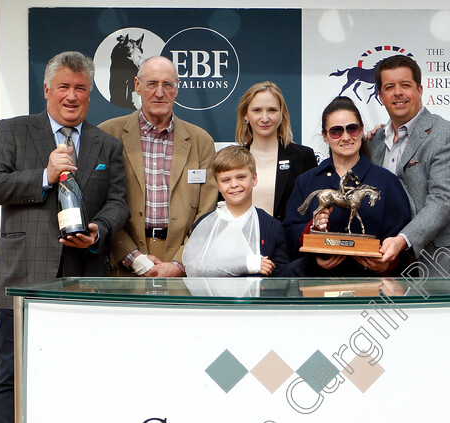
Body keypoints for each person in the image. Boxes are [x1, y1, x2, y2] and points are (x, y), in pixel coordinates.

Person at [0, 51, 129, 423]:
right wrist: (44, 175)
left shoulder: (105, 145)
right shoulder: (15, 131)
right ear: (47, 91)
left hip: (84, 282)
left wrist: (98, 229)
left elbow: (118, 203)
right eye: (64, 87)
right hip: (22, 280)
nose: (72, 97)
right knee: (9, 382)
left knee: (81, 383)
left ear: (89, 92)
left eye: (80, 88)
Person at [99, 56, 217, 278]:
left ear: (177, 89)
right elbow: (99, 203)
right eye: (152, 84)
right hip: (123, 267)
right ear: (137, 86)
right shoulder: (108, 135)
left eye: (168, 85)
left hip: (184, 270)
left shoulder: (201, 141)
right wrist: (132, 257)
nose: (160, 93)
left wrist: (180, 263)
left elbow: (207, 211)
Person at [368, 55, 450, 277]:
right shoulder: (373, 142)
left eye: (405, 85)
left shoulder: (448, 135)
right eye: (389, 87)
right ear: (380, 96)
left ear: (420, 89)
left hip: (443, 265)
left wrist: (402, 240)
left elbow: (443, 201)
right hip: (389, 268)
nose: (398, 93)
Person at [283, 96, 411, 276]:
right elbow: (289, 235)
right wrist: (314, 249)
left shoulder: (387, 182)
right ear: (325, 137)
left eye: (352, 129)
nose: (345, 137)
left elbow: (405, 240)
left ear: (361, 131)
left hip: (373, 291)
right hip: (317, 290)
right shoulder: (307, 182)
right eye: (336, 131)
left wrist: (387, 264)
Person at [183, 146, 298, 277]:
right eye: (226, 180)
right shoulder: (204, 224)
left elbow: (280, 276)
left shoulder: (271, 226)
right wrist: (249, 264)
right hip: (215, 297)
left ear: (254, 179)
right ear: (217, 185)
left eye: (241, 177)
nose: (234, 184)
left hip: (256, 297)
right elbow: (193, 267)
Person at [235, 81, 318, 221]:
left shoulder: (303, 157)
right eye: (257, 110)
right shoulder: (233, 159)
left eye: (272, 110)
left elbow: (313, 210)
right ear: (245, 115)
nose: (265, 118)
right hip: (241, 241)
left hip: (287, 242)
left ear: (282, 114)